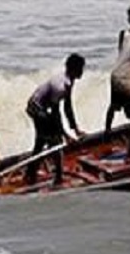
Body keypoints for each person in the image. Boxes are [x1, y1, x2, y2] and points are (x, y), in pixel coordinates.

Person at [24, 53, 87, 185]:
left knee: (41, 142)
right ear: (74, 69)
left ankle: (30, 174)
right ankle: (57, 178)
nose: (83, 71)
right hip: (37, 108)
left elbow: (68, 108)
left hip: (43, 108)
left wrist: (76, 129)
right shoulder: (60, 86)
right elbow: (55, 114)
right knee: (55, 142)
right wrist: (65, 135)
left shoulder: (69, 80)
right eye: (81, 68)